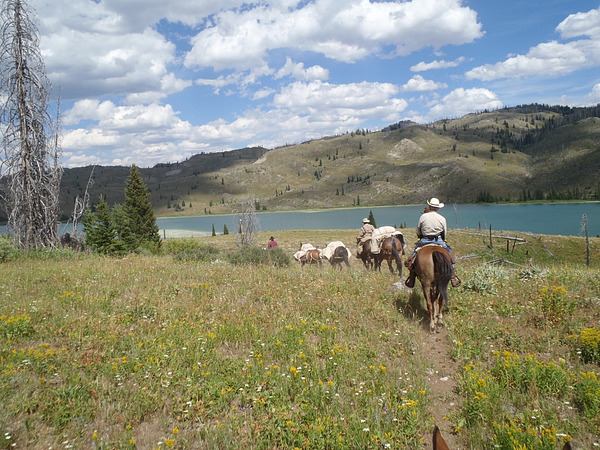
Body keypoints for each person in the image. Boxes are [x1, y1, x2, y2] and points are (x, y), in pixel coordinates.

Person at [404, 197, 461, 288]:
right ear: (438, 208)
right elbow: (444, 232)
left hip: (424, 240)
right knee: (450, 257)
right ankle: (453, 277)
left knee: (413, 257)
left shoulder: (423, 217)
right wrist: (442, 239)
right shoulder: (442, 218)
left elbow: (418, 230)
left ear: (430, 206)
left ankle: (411, 278)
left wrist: (420, 236)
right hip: (438, 240)